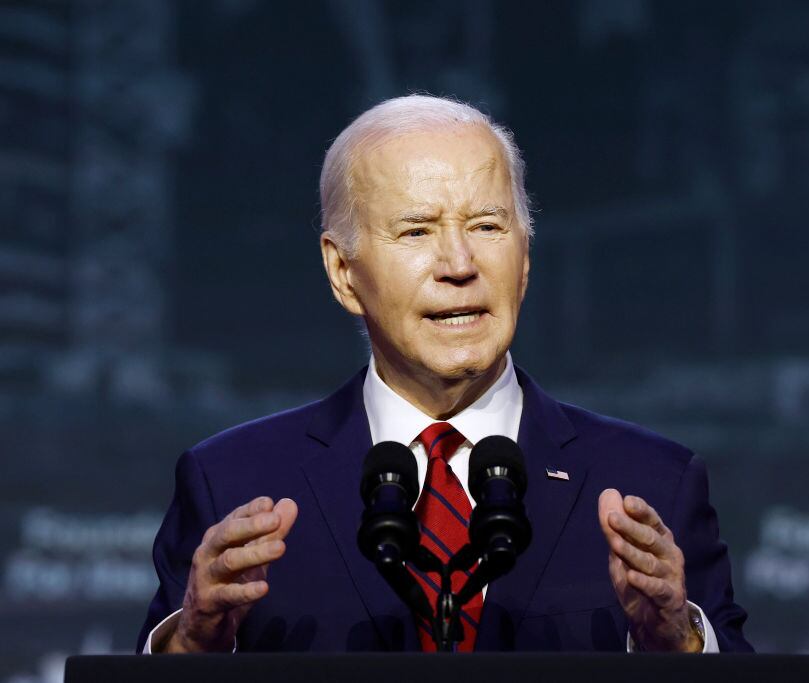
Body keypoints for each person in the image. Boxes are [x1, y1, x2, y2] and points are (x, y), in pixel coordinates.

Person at [138, 95, 752, 654]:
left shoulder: (651, 485)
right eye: (417, 230)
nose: (459, 265)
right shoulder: (232, 484)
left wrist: (677, 641)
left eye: (487, 226)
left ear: (526, 258)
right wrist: (194, 645)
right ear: (343, 273)